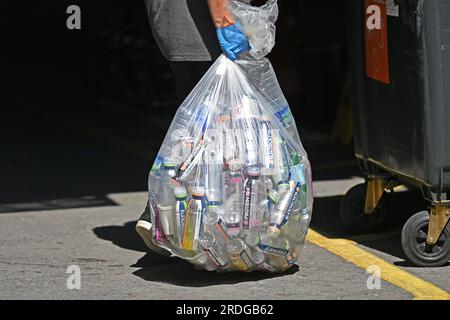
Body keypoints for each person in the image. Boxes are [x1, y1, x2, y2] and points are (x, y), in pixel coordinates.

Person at [136, 0, 250, 254]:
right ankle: (164, 216)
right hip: (206, 33)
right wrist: (227, 23)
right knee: (216, 135)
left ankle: (171, 217)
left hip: (175, 29)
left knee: (194, 130)